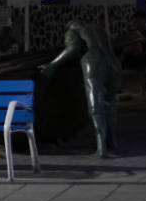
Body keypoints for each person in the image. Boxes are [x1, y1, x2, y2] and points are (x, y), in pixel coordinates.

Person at [45, 18, 124, 158]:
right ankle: (113, 142)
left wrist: (52, 65)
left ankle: (102, 148)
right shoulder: (98, 29)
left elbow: (73, 49)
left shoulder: (73, 31)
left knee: (96, 108)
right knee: (110, 102)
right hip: (114, 64)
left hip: (93, 64)